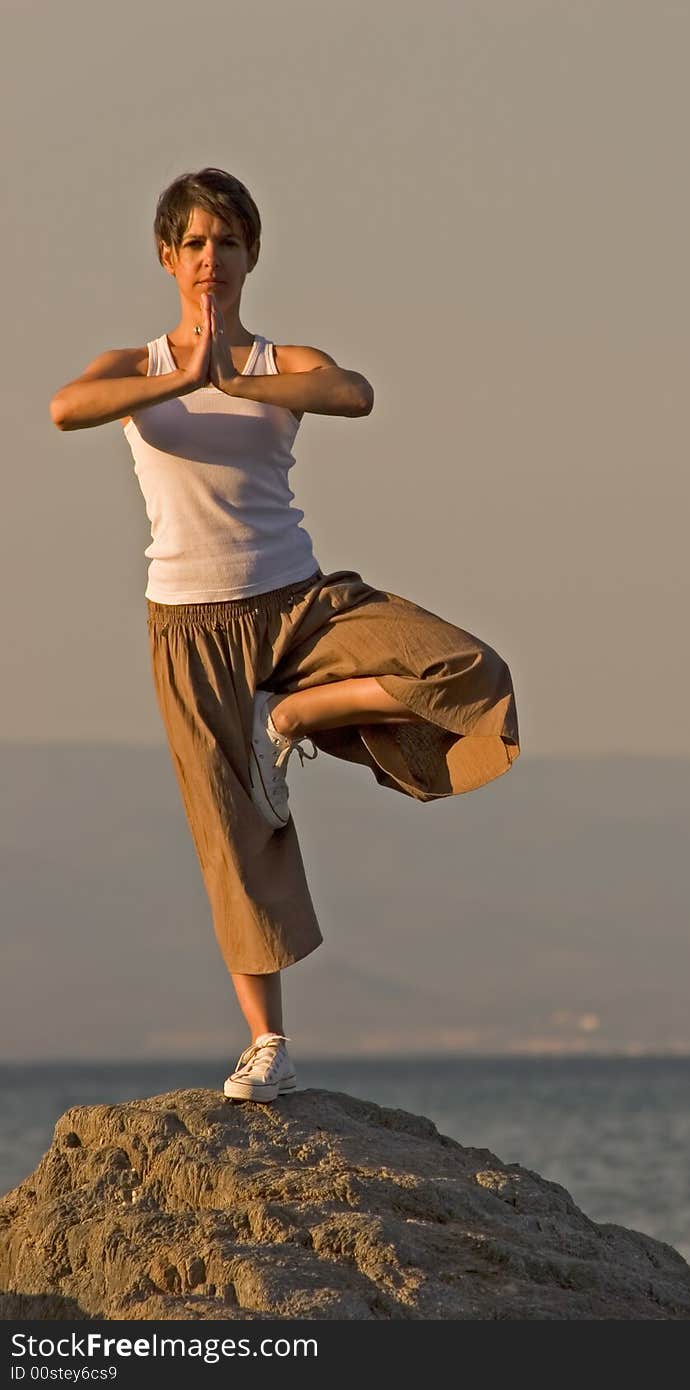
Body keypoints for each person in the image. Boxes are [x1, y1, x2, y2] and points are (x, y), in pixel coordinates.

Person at [49, 166, 520, 1103]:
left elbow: (356, 392)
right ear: (166, 258)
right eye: (192, 243)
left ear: (251, 255)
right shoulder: (135, 369)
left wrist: (237, 378)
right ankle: (268, 1043)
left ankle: (295, 714)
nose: (209, 259)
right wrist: (182, 377)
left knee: (468, 668)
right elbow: (65, 409)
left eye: (226, 242)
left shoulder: (277, 364)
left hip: (299, 604)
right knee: (232, 832)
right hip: (187, 626)